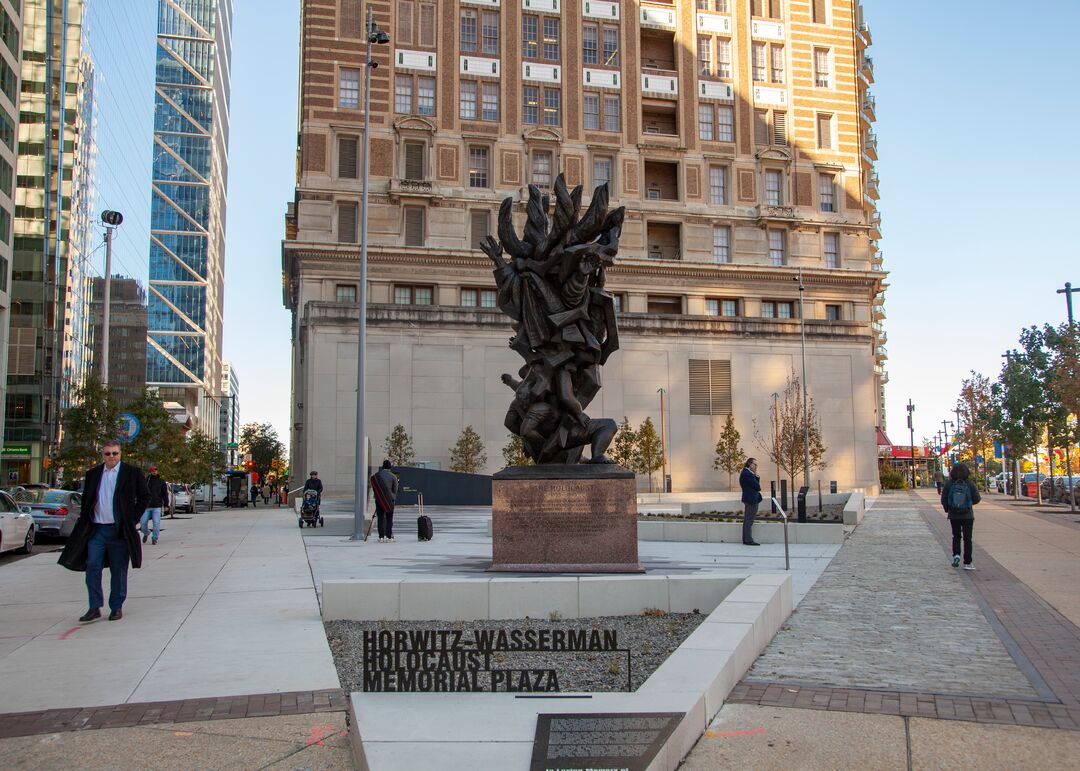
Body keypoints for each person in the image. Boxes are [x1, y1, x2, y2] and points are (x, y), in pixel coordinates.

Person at [58, 441, 149, 623]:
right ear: (103, 455)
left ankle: (116, 606)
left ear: (120, 454)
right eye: (107, 454)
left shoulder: (131, 473)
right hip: (97, 529)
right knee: (92, 566)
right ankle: (94, 606)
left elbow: (145, 496)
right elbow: (88, 500)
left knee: (118, 569)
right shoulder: (93, 474)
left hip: (118, 531)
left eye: (115, 453)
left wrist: (132, 519)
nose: (111, 457)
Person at [941, 462, 980, 570]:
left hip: (954, 515)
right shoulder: (969, 484)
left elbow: (944, 499)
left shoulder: (949, 484)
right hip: (967, 515)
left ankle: (956, 555)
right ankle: (967, 562)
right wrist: (968, 504)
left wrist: (948, 510)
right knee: (968, 539)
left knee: (956, 536)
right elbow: (977, 498)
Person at [371, 460, 399, 542]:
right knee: (389, 518)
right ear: (390, 467)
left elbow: (374, 489)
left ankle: (381, 537)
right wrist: (392, 497)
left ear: (382, 467)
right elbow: (395, 490)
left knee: (380, 518)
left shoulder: (376, 476)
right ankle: (389, 537)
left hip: (379, 500)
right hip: (390, 501)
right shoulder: (393, 476)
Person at [140, 464, 168, 545]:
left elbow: (165, 494)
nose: (154, 471)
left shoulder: (161, 482)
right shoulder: (146, 481)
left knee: (156, 523)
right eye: (152, 470)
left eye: (155, 470)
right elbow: (141, 492)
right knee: (143, 523)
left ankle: (155, 538)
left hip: (157, 506)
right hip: (146, 506)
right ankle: (146, 533)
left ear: (157, 471)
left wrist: (166, 505)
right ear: (150, 472)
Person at [739, 457, 762, 546]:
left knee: (747, 520)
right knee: (749, 520)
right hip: (751, 499)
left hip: (749, 498)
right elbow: (757, 486)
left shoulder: (746, 473)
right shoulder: (747, 474)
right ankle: (748, 540)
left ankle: (746, 539)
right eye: (754, 464)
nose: (756, 466)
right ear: (749, 464)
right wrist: (756, 475)